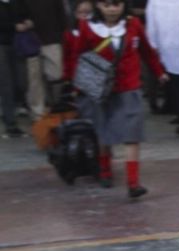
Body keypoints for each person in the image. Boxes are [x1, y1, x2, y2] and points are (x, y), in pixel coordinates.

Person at [64, 0, 167, 198]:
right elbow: (78, 56)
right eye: (107, 5)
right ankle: (105, 169)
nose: (112, 9)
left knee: (132, 134)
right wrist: (76, 84)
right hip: (102, 88)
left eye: (117, 4)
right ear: (99, 7)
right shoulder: (88, 28)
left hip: (129, 87)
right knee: (104, 131)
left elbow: (146, 50)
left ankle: (133, 183)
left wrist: (159, 72)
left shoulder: (133, 24)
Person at [146, 0, 179, 138]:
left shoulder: (154, 2)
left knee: (178, 81)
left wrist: (154, 46)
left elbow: (151, 27)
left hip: (168, 45)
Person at [0, 0, 28, 138]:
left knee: (21, 82)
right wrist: (14, 26)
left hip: (17, 44)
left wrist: (27, 22)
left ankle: (15, 109)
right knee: (6, 85)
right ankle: (10, 123)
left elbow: (25, 14)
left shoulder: (16, 3)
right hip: (2, 45)